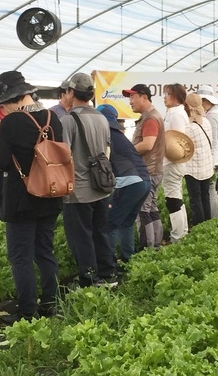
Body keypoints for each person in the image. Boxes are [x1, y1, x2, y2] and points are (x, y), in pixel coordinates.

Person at [0, 70, 63, 323]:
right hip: (51, 193)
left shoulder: (11, 123)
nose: (3, 109)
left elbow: (1, 162)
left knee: (20, 256)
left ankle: (26, 310)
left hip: (21, 198)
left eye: (5, 104)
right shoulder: (52, 118)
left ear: (16, 99)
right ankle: (51, 303)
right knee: (44, 250)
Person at [60, 72, 118, 287]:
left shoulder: (68, 120)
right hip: (101, 186)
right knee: (100, 232)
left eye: (66, 91)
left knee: (81, 237)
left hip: (78, 190)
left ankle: (89, 279)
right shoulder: (101, 117)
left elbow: (64, 156)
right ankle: (108, 275)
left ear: (72, 93)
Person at [97, 104, 150, 264]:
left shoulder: (106, 136)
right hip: (144, 181)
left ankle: (110, 264)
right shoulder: (120, 136)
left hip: (128, 183)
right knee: (126, 223)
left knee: (109, 224)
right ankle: (129, 260)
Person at [122, 84, 166, 251]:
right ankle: (155, 244)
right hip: (153, 170)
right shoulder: (152, 116)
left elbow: (147, 145)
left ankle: (147, 248)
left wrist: (127, 151)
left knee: (143, 209)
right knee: (151, 207)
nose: (130, 101)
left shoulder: (150, 118)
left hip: (147, 170)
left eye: (133, 97)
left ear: (144, 97)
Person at [162, 83, 190, 243]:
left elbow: (179, 140)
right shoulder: (174, 113)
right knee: (175, 197)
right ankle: (182, 232)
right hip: (171, 162)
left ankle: (178, 236)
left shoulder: (177, 115)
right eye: (165, 94)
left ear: (177, 97)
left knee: (172, 199)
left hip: (172, 162)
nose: (165, 97)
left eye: (168, 94)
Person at [197, 84, 218, 218]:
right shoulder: (217, 114)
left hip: (214, 159)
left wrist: (211, 161)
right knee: (212, 189)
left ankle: (214, 217)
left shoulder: (212, 117)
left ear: (205, 101)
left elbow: (213, 141)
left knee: (210, 189)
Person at [184, 93, 213, 226]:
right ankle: (207, 224)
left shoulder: (189, 127)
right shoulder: (206, 121)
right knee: (205, 197)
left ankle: (199, 226)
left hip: (194, 169)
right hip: (207, 167)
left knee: (196, 200)